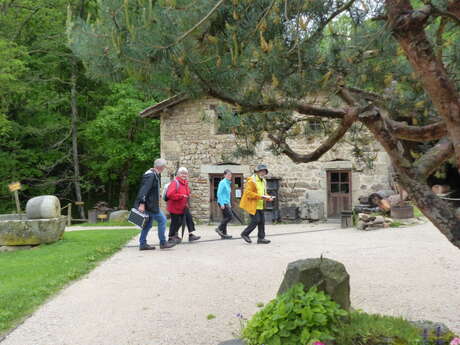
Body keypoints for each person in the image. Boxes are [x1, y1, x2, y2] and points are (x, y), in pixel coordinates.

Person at [134, 158, 176, 251]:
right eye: (164, 167)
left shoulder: (152, 174)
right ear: (161, 167)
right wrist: (142, 203)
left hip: (150, 204)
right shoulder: (151, 176)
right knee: (163, 220)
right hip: (150, 205)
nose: (164, 168)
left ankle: (143, 244)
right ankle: (163, 243)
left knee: (148, 225)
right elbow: (144, 190)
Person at [239, 164, 273, 244]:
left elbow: (264, 193)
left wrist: (269, 197)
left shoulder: (263, 181)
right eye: (261, 171)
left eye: (264, 172)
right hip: (252, 205)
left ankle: (261, 238)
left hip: (260, 204)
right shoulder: (251, 180)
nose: (263, 173)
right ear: (257, 172)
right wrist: (260, 196)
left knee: (262, 221)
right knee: (256, 220)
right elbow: (248, 193)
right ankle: (245, 234)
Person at [166, 167, 201, 243]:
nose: (184, 175)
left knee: (189, 218)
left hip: (183, 206)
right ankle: (171, 237)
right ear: (178, 174)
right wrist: (181, 196)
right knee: (176, 222)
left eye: (185, 173)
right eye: (182, 173)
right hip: (175, 207)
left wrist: (187, 197)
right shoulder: (175, 183)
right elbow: (169, 194)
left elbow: (187, 193)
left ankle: (191, 235)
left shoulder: (185, 183)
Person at [215, 169, 233, 239]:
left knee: (225, 217)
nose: (229, 176)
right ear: (224, 175)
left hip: (226, 202)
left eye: (230, 175)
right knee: (230, 216)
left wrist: (229, 203)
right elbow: (219, 193)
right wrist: (222, 203)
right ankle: (219, 228)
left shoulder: (228, 183)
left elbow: (227, 195)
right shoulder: (222, 182)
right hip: (222, 202)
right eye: (228, 175)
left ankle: (224, 234)